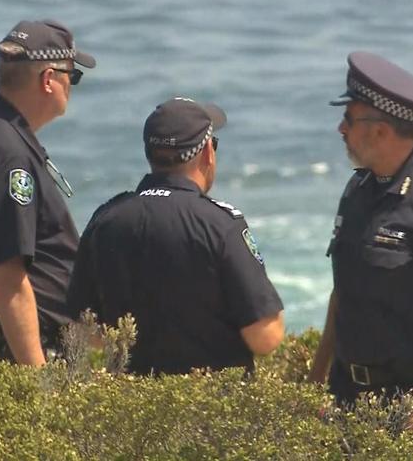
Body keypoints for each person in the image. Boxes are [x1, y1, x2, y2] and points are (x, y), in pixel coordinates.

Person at [307, 51, 413, 408]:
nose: (340, 129)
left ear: (380, 130)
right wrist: (314, 380)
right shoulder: (358, 189)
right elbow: (343, 294)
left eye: (348, 118)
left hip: (410, 400)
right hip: (346, 395)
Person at [66, 97, 285, 375]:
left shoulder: (106, 220)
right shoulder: (221, 225)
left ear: (150, 156)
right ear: (207, 152)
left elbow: (84, 328)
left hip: (126, 408)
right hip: (215, 408)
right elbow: (265, 337)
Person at [0, 19, 96, 366]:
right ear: (48, 80)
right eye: (73, 76)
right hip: (25, 353)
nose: (72, 86)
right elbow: (6, 278)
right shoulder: (10, 155)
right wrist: (36, 383)